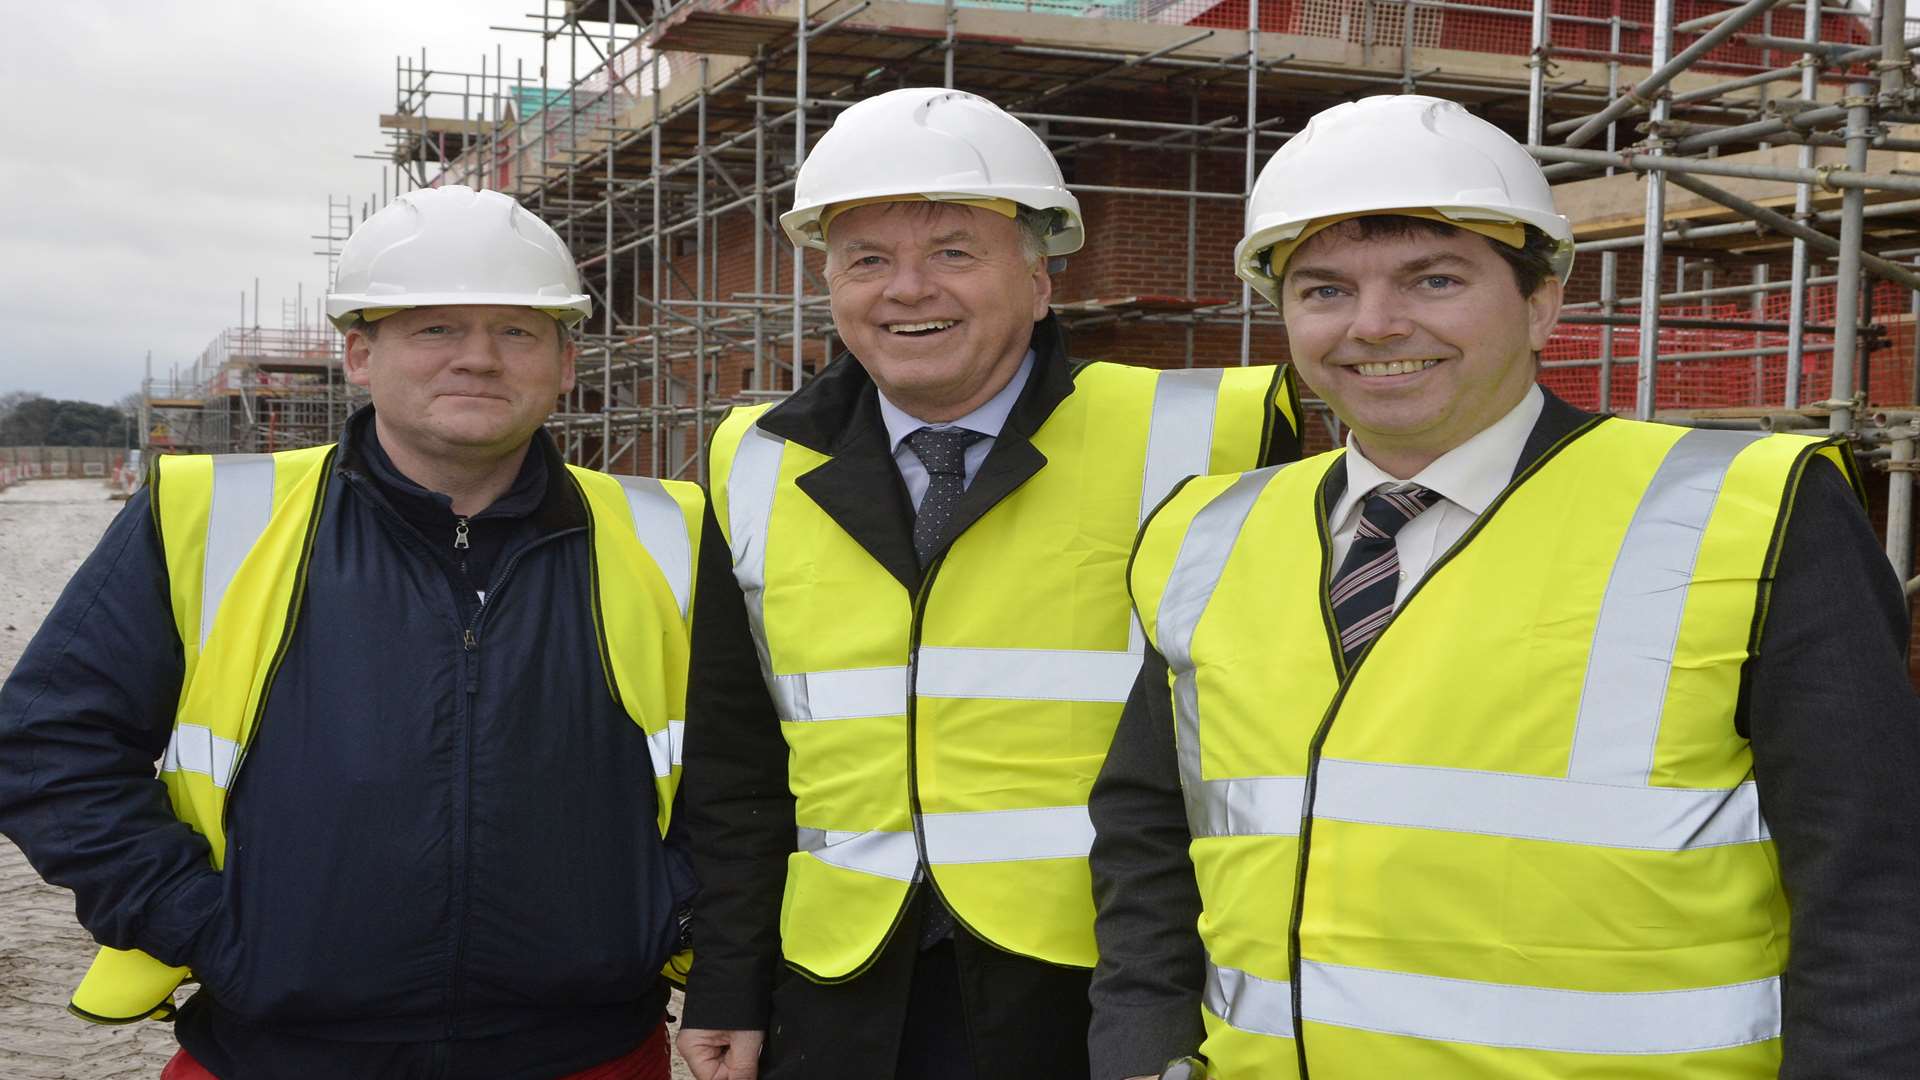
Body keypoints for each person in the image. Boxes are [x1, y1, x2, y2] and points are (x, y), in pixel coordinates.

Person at [1087, 93, 1920, 1079]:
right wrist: (1141, 1046)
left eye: (1434, 280)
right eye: (1322, 291)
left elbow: (1871, 884)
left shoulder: (1748, 513)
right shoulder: (1205, 533)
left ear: (1542, 303)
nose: (1374, 325)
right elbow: (1147, 834)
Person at [0, 185, 704, 1080]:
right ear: (361, 356)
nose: (479, 359)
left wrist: (673, 915)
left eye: (518, 331)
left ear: (567, 362)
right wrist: (203, 925)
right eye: (434, 329)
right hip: (275, 1055)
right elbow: (45, 746)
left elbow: (753, 768)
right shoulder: (208, 518)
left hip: (590, 1052)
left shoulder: (669, 533)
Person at [674, 87, 1302, 1080]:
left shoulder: (1214, 441)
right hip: (839, 989)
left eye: (953, 253)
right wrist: (727, 980)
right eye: (867, 260)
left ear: (1041, 278)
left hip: (1095, 989)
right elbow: (736, 757)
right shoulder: (751, 459)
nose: (907, 290)